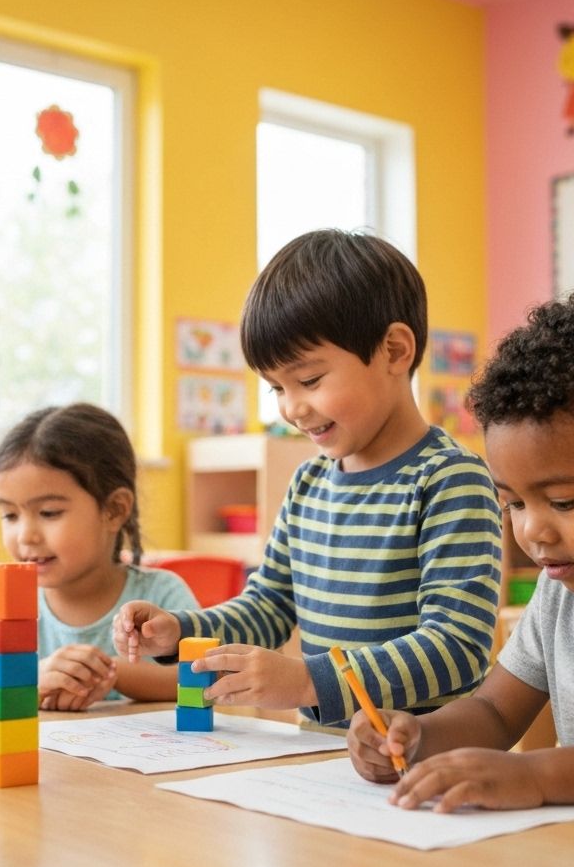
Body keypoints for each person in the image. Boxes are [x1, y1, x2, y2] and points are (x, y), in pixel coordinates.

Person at [348, 287, 574, 810]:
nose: (531, 532)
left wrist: (537, 774)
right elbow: (495, 715)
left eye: (563, 502)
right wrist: (415, 736)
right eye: (514, 503)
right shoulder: (561, 592)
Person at [113, 229, 502, 726]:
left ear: (395, 351)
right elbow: (268, 606)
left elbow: (457, 648)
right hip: (321, 756)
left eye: (310, 380)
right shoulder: (308, 483)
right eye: (276, 387)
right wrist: (183, 633)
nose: (292, 408)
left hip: (425, 759)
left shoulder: (451, 479)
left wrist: (307, 680)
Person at [0, 403, 199, 709]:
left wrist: (106, 673)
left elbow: (199, 676)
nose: (26, 535)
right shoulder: (8, 595)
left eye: (49, 513)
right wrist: (32, 675)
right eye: (10, 515)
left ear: (114, 510)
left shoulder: (160, 593)